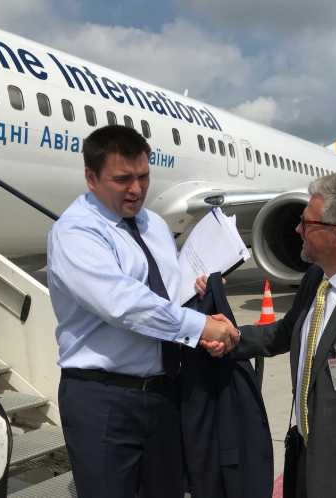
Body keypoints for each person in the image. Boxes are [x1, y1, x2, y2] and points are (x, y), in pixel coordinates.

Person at [47, 124, 239, 498]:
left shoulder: (153, 224)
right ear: (91, 177)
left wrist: (200, 291)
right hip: (104, 399)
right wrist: (200, 327)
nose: (137, 189)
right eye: (123, 179)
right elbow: (124, 303)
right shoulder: (76, 232)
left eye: (144, 176)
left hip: (164, 394)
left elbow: (168, 289)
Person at [206, 172, 336, 498]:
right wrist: (235, 338)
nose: (297, 229)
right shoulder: (316, 280)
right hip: (308, 467)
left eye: (306, 223)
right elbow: (287, 331)